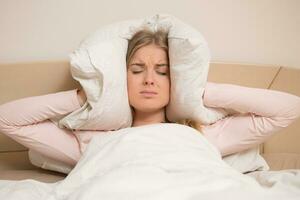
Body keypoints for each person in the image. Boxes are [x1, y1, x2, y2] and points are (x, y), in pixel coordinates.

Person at [0, 28, 300, 169]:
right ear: (121, 78)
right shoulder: (90, 140)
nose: (149, 79)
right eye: (136, 69)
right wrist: (86, 97)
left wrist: (199, 92)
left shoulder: (203, 134)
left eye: (163, 71)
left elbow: (288, 109)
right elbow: (7, 120)